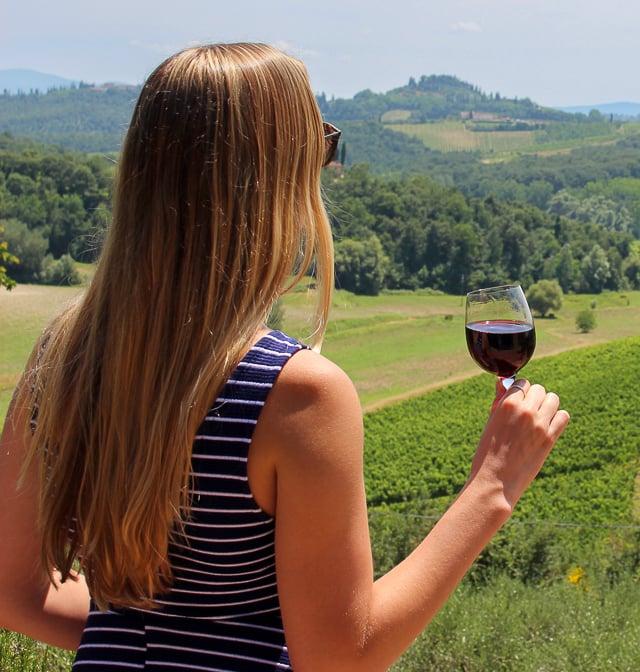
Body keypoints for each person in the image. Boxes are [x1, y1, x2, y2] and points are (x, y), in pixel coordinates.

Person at [0, 42, 569, 670]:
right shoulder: (295, 394)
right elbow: (341, 656)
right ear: (276, 182)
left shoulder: (58, 362)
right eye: (323, 147)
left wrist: (152, 639)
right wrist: (493, 484)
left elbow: (15, 594)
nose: (328, 167)